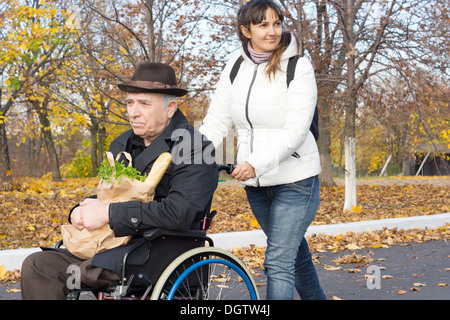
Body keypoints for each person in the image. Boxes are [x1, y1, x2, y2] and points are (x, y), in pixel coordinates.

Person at [21, 62, 218, 300]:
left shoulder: (195, 147)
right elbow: (109, 195)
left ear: (170, 108)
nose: (133, 112)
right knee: (38, 265)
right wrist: (80, 211)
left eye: (144, 104)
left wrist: (109, 214)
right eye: (129, 102)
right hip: (108, 243)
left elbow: (180, 211)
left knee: (85, 271)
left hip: (159, 250)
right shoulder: (122, 144)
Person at [199, 0, 325, 300]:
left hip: (296, 180)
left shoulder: (298, 66)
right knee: (295, 255)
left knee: (278, 263)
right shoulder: (235, 67)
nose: (273, 31)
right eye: (264, 24)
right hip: (257, 186)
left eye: (277, 23)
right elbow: (217, 120)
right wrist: (187, 155)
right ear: (246, 30)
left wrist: (254, 162)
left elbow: (297, 129)